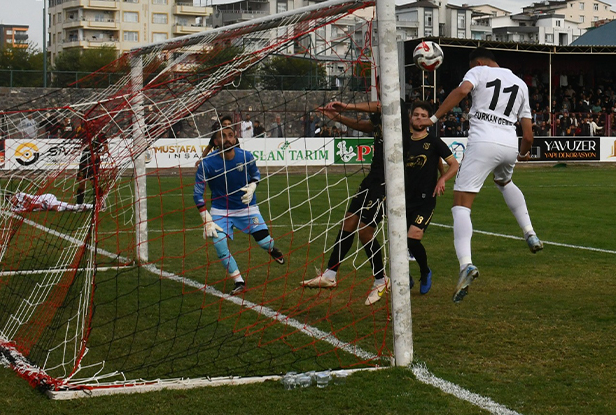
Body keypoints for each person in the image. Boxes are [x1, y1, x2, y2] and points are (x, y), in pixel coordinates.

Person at [304, 100, 459, 301]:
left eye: (423, 115)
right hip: (373, 180)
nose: (418, 118)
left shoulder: (398, 115)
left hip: (388, 184)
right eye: (416, 115)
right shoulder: (384, 125)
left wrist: (346, 106)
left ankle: (384, 279)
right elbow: (362, 125)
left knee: (369, 231)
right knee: (349, 222)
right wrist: (336, 117)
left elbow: (380, 105)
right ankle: (330, 274)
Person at [430, 47, 542, 304]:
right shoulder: (520, 84)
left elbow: (461, 92)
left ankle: (466, 264)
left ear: (479, 62)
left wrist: (435, 117)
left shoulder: (478, 71)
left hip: (483, 142)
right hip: (509, 144)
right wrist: (522, 154)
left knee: (461, 206)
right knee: (504, 181)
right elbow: (528, 136)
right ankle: (529, 232)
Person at [193, 127, 285, 295]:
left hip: (247, 208)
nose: (228, 139)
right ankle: (239, 281)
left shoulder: (246, 156)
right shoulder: (206, 164)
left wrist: (252, 186)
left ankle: (271, 249)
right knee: (219, 245)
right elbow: (198, 193)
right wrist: (206, 217)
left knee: (265, 243)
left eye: (230, 135)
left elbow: (255, 174)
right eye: (223, 136)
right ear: (215, 142)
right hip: (220, 211)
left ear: (235, 139)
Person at [74, 119, 106, 206]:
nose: (92, 126)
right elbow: (77, 136)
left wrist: (98, 154)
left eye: (94, 124)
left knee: (94, 183)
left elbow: (106, 149)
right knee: (81, 182)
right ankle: (79, 205)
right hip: (84, 158)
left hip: (94, 160)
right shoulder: (84, 133)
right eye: (90, 124)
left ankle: (101, 202)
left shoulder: (101, 134)